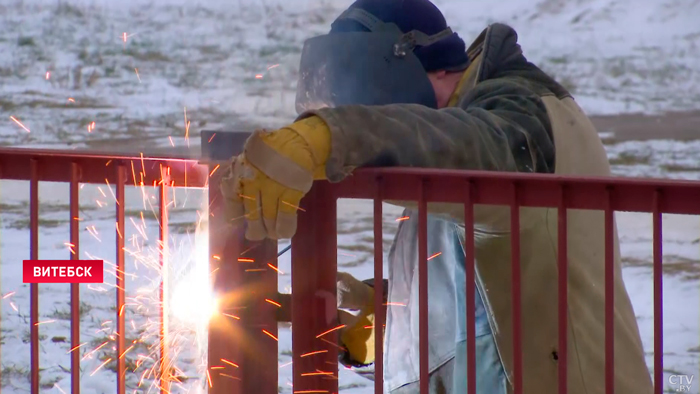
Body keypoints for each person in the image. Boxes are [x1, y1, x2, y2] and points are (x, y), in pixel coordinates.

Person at [220, 0, 654, 393]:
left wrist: (333, 137)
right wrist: (393, 317)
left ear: (436, 67)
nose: (384, 118)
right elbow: (483, 292)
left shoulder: (519, 118)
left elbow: (464, 150)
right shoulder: (445, 144)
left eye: (380, 108)